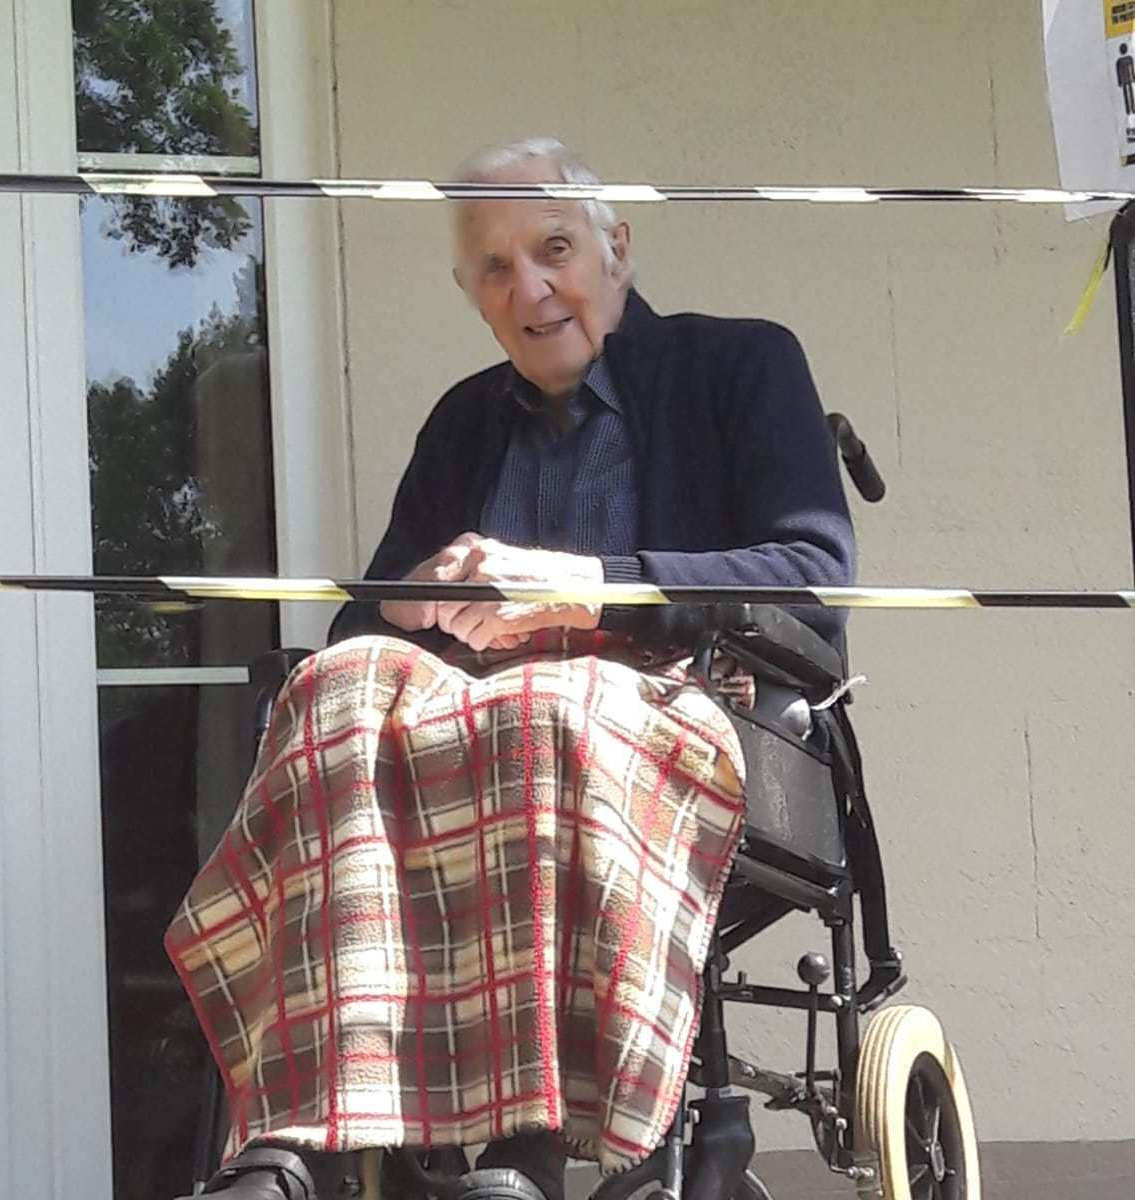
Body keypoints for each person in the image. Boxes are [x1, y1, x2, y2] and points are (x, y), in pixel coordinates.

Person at [172, 136, 854, 1200]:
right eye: (494, 267)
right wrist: (404, 601)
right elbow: (364, 620)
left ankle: (523, 1148)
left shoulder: (741, 363)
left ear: (616, 246)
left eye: (553, 249)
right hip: (481, 744)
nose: (528, 287)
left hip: (681, 708)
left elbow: (814, 573)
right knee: (334, 690)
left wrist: (589, 587)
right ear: (470, 293)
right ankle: (301, 1134)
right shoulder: (463, 421)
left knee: (540, 705)